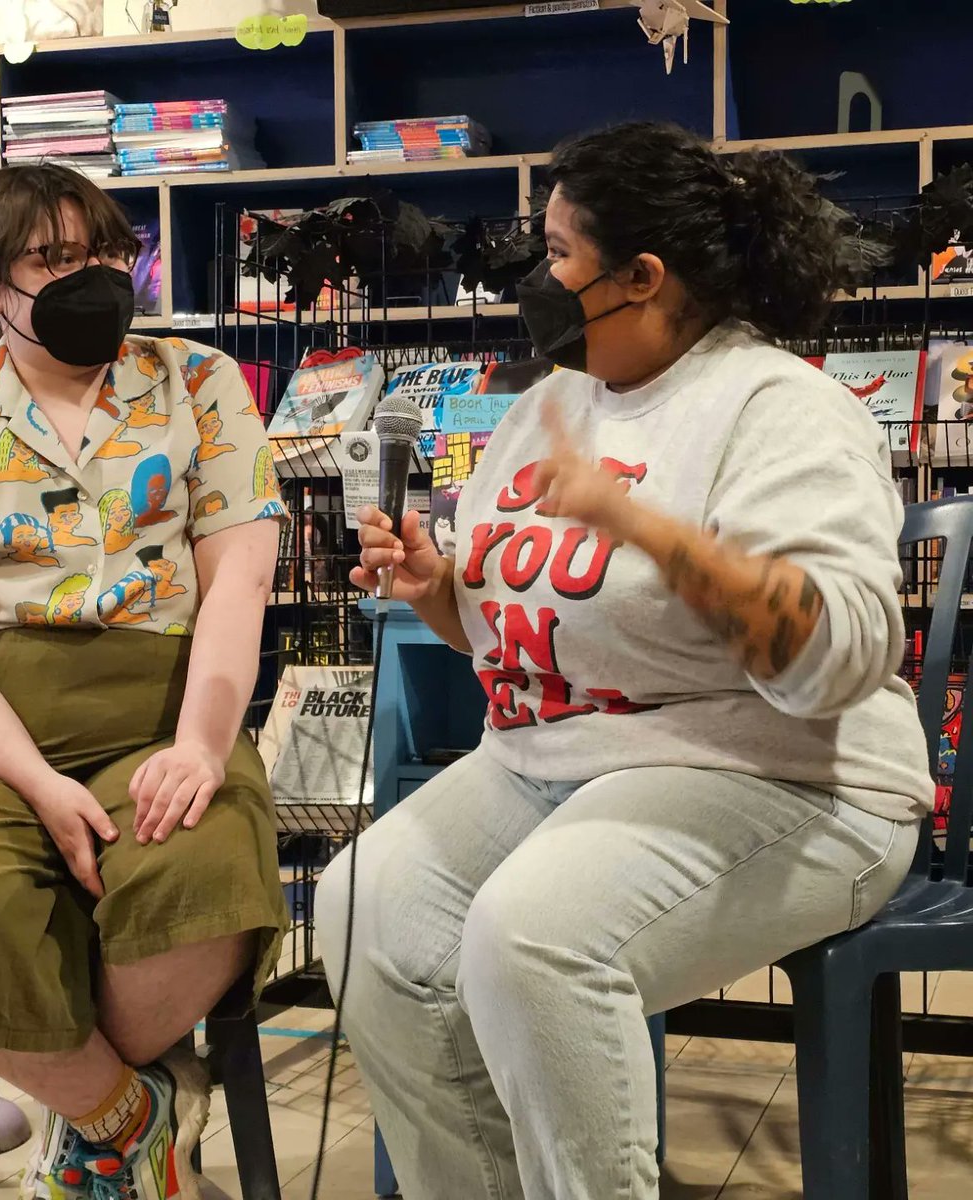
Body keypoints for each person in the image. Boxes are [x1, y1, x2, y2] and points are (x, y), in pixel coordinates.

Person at [315, 121, 934, 1200]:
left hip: (788, 778)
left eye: (557, 254)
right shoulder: (552, 401)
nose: (533, 279)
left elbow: (837, 659)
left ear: (643, 276)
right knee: (365, 908)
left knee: (536, 938)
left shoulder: (781, 410)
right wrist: (442, 592)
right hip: (557, 762)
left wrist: (654, 533)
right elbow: (532, 642)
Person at [0, 163, 290, 1200]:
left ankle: (92, 1122)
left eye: (103, 251)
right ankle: (126, 1117)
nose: (90, 275)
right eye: (54, 259)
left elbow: (240, 585)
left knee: (205, 864)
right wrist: (39, 785)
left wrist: (198, 742)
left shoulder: (197, 383)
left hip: (168, 701)